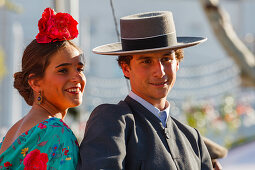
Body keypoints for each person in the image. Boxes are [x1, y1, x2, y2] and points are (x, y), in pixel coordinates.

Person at [78, 11, 214, 170]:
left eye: (166, 59)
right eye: (146, 61)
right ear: (126, 68)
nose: (160, 71)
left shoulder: (192, 138)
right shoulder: (113, 120)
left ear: (177, 63)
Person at [0, 8, 86, 169]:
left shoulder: (13, 132)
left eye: (79, 69)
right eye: (63, 70)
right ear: (35, 82)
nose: (77, 77)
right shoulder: (56, 131)